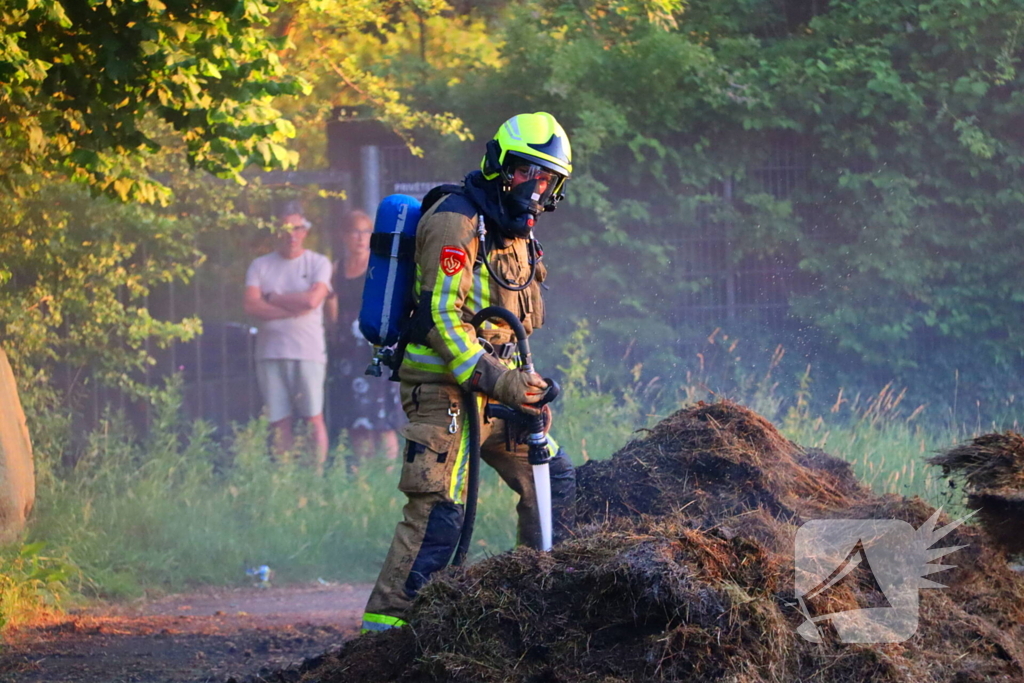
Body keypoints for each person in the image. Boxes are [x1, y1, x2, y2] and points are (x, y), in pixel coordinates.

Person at [361, 112, 577, 633]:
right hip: (444, 391)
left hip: (495, 392)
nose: (537, 188)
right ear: (501, 165)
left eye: (548, 179)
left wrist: (530, 390)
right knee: (440, 513)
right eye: (529, 172)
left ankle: (543, 607)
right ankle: (385, 638)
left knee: (554, 481)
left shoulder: (516, 234)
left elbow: (511, 330)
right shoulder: (457, 219)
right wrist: (501, 381)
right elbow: (441, 315)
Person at [243, 201, 333, 473]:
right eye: (285, 229)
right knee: (278, 419)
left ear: (305, 231)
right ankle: (286, 478)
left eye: (297, 228)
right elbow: (250, 306)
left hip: (308, 352)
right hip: (270, 353)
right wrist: (292, 308)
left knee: (312, 416)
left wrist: (274, 299)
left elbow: (313, 300)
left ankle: (314, 477)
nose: (291, 235)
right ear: (275, 232)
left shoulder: (318, 262)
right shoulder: (259, 265)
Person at [325, 209, 403, 466]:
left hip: (376, 349)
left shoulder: (380, 265)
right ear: (343, 235)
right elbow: (332, 308)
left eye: (365, 231)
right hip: (348, 354)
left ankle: (389, 474)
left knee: (381, 417)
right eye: (354, 231)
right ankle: (363, 480)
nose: (360, 237)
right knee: (357, 417)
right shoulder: (336, 268)